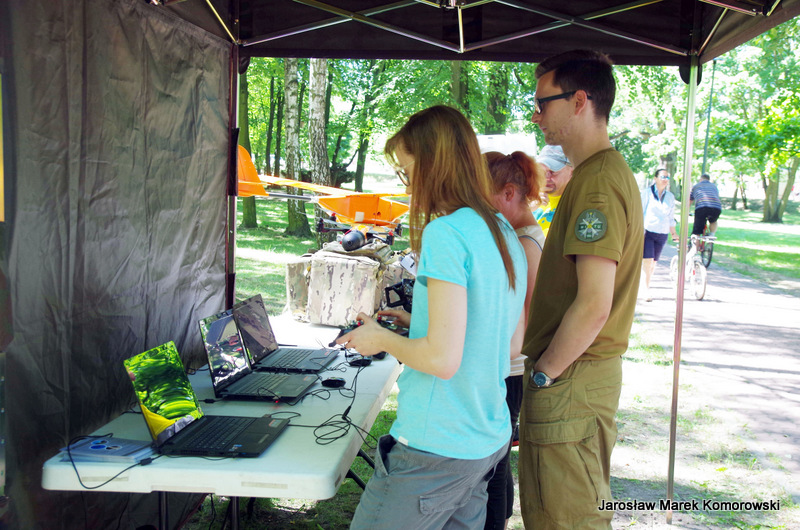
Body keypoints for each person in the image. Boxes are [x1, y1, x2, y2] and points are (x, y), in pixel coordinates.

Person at [336, 105, 528, 530]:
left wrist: (380, 338)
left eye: (407, 172)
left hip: (437, 443)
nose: (407, 186)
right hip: (484, 437)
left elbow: (442, 360)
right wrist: (417, 323)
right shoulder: (501, 229)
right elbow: (504, 337)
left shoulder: (446, 232)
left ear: (432, 166)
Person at [519, 50, 643, 528]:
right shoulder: (595, 175)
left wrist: (545, 375)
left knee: (568, 518)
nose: (536, 116)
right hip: (576, 375)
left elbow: (594, 304)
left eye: (542, 103)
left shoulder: (597, 184)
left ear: (579, 101)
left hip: (572, 375)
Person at [483, 151, 545, 530]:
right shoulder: (521, 236)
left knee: (493, 466)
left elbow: (527, 315)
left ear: (508, 193)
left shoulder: (524, 243)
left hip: (510, 369)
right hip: (509, 366)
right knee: (499, 461)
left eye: (483, 197)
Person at [641, 168, 678, 302]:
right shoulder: (646, 193)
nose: (665, 180)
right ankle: (645, 289)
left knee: (653, 263)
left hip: (662, 233)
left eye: (667, 177)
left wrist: (674, 233)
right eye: (663, 177)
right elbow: (640, 212)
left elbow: (671, 217)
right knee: (647, 260)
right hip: (648, 231)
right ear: (655, 178)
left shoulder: (670, 197)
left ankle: (645, 283)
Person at [532, 144, 574, 236]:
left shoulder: (577, 203)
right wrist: (525, 211)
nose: (546, 177)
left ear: (572, 172)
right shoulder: (530, 201)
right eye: (542, 171)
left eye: (553, 172)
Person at [690, 173, 722, 237]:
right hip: (716, 207)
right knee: (713, 221)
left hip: (702, 207)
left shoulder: (696, 186)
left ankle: (696, 240)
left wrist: (687, 210)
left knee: (698, 228)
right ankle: (712, 234)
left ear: (701, 179)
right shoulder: (714, 186)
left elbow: (690, 200)